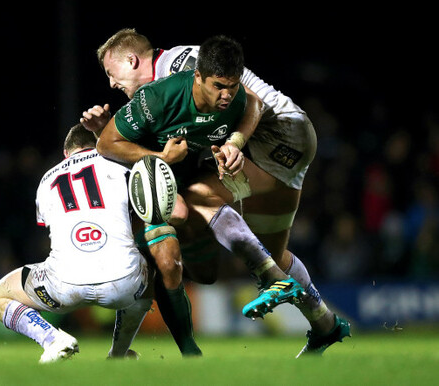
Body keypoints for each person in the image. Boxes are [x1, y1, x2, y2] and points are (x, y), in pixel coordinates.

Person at [84, 29, 351, 356]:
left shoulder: (180, 69)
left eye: (112, 73)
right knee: (273, 255)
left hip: (274, 133)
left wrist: (235, 143)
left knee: (194, 197)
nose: (112, 83)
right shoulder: (170, 85)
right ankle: (324, 324)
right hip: (290, 137)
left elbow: (249, 100)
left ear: (132, 60)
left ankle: (267, 280)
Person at [0, 124, 200, 362]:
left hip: (62, 287)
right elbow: (177, 213)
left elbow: (51, 230)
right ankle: (118, 354)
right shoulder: (122, 166)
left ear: (65, 152)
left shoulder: (46, 180)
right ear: (101, 145)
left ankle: (52, 339)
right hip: (125, 286)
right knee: (150, 264)